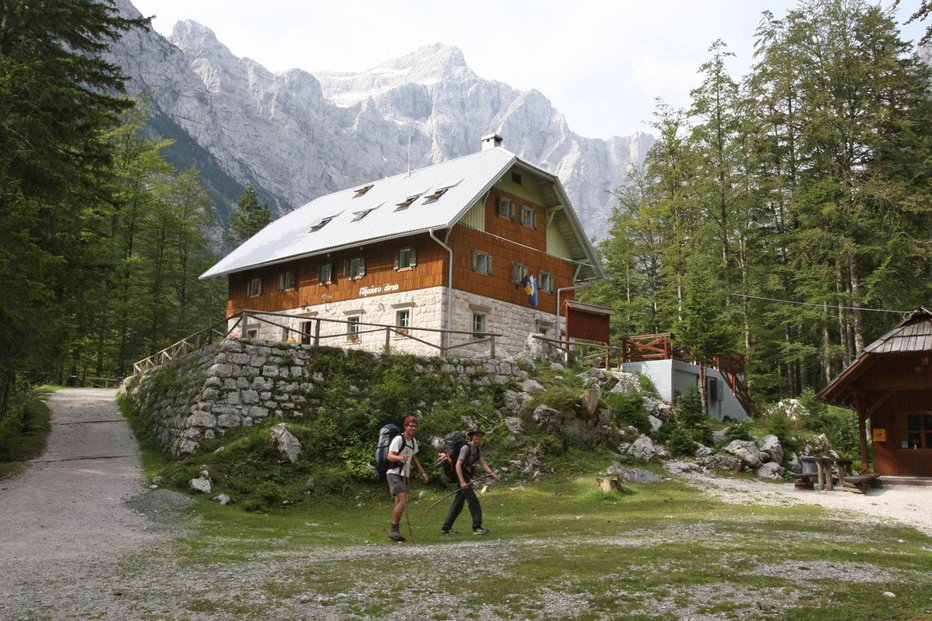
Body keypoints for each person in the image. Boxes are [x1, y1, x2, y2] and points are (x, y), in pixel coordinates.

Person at [441, 427, 499, 536]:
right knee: (473, 501)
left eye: (479, 435)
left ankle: (446, 527)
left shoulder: (477, 449)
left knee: (458, 503)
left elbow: (482, 463)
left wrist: (492, 474)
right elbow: (458, 465)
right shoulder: (465, 448)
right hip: (461, 476)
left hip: (466, 476)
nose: (478, 437)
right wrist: (462, 481)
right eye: (475, 435)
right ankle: (477, 527)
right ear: (471, 436)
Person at [386, 415, 428, 542]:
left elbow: (414, 458)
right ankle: (394, 530)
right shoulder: (398, 439)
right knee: (403, 501)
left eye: (415, 426)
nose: (413, 428)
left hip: (405, 474)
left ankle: (395, 530)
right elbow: (389, 456)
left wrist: (423, 473)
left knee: (399, 502)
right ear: (405, 427)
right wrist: (400, 458)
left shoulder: (413, 441)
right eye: (410, 425)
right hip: (394, 473)